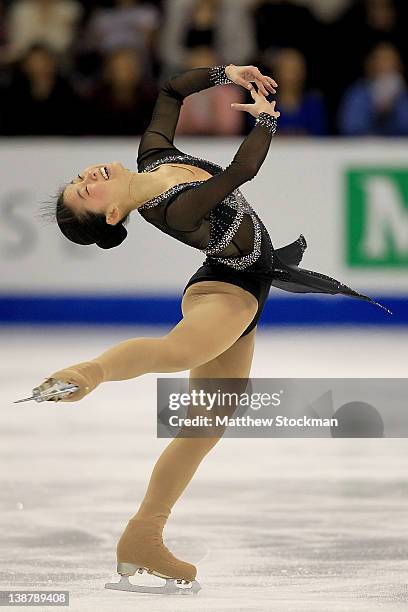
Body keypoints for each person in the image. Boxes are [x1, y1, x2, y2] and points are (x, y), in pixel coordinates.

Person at [36, 64, 388, 590]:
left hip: (235, 282)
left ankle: (142, 536)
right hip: (228, 292)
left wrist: (229, 72)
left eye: (78, 179)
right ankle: (88, 373)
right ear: (112, 216)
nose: (85, 179)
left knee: (204, 426)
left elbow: (170, 90)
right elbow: (236, 175)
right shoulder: (170, 210)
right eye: (84, 194)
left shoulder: (154, 157)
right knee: (176, 353)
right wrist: (267, 121)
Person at [338, 42, 408, 136]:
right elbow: (350, 127)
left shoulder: (403, 93)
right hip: (366, 148)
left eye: (390, 62)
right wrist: (376, 109)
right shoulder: (359, 92)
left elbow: (404, 127)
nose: (385, 67)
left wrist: (392, 106)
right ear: (372, 65)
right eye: (381, 62)